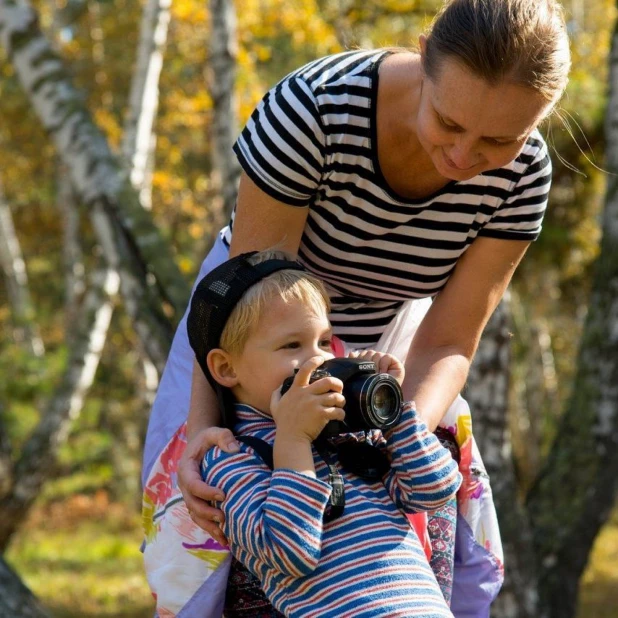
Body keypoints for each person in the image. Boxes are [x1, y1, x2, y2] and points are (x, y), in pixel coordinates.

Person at [141, 0, 571, 616]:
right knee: (206, 557)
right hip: (253, 330)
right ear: (424, 55)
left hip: (389, 342)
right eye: (449, 123)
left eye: (498, 139)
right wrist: (204, 439)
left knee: (405, 534)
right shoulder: (314, 110)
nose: (461, 157)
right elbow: (252, 307)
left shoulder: (524, 174)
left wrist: (395, 433)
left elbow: (450, 340)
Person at [186, 250, 462, 617]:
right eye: (292, 345)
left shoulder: (345, 429)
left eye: (323, 342)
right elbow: (290, 553)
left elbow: (435, 489)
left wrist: (386, 411)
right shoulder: (230, 457)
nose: (318, 360)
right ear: (226, 367)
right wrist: (293, 442)